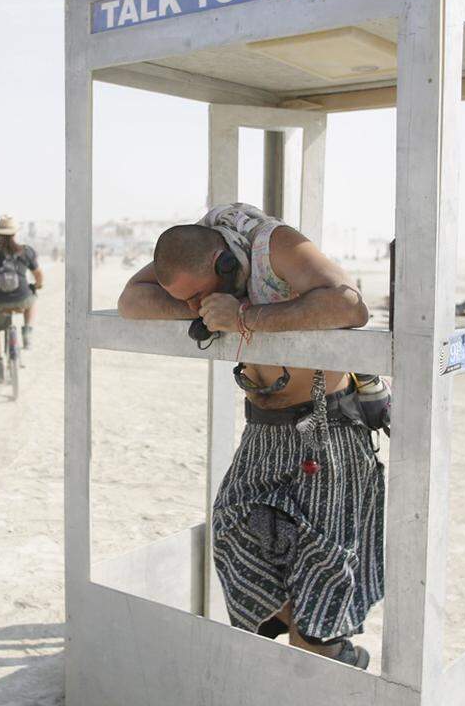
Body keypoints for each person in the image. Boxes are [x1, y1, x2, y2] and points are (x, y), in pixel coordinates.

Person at [117, 203, 380, 669]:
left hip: (325, 430)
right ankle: (324, 643)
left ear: (224, 264)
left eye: (199, 296)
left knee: (322, 573)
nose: (193, 308)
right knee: (235, 533)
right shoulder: (195, 247)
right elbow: (131, 301)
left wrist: (247, 316)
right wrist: (197, 304)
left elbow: (349, 304)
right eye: (187, 300)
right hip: (263, 430)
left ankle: (330, 651)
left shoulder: (274, 245)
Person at [0, 215, 43, 384]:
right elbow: (38, 274)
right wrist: (38, 285)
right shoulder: (26, 251)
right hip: (22, 299)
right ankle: (27, 330)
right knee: (32, 299)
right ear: (15, 234)